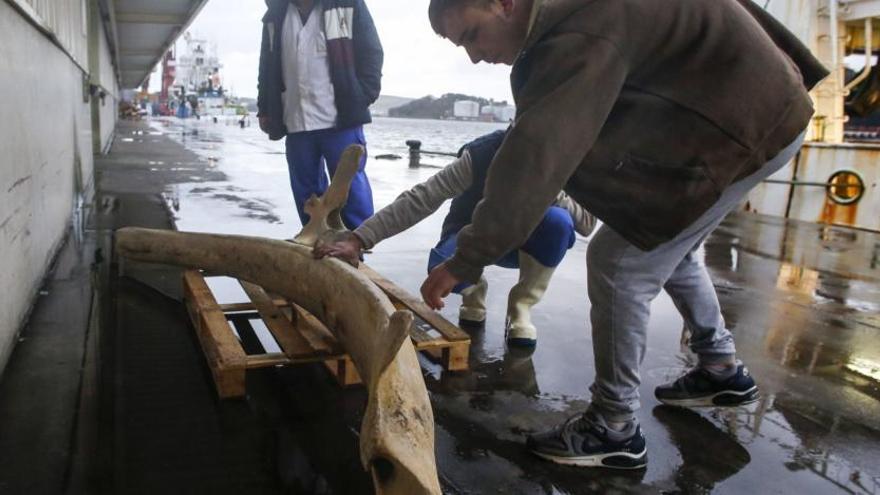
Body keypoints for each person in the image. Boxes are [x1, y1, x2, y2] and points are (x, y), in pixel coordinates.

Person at [421, 0, 828, 469]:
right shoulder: (573, 16)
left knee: (619, 263)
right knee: (664, 238)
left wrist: (465, 260)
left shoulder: (575, 35)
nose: (473, 56)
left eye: (472, 35)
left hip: (745, 123)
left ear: (505, 4)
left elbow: (533, 161)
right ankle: (720, 369)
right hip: (762, 103)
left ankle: (613, 427)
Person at [315, 130, 596, 348]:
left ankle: (521, 305)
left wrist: (552, 188)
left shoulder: (569, 156)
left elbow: (586, 224)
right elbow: (423, 198)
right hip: (470, 234)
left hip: (521, 243)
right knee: (440, 268)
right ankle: (474, 291)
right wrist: (359, 238)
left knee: (559, 223)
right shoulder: (484, 153)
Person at [257, 0, 383, 229]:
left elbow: (372, 52)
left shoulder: (348, 4)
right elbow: (266, 65)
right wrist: (264, 108)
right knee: (306, 193)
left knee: (351, 189)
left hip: (340, 120)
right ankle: (314, 240)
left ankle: (356, 246)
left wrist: (362, 96)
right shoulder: (275, 15)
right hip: (295, 120)